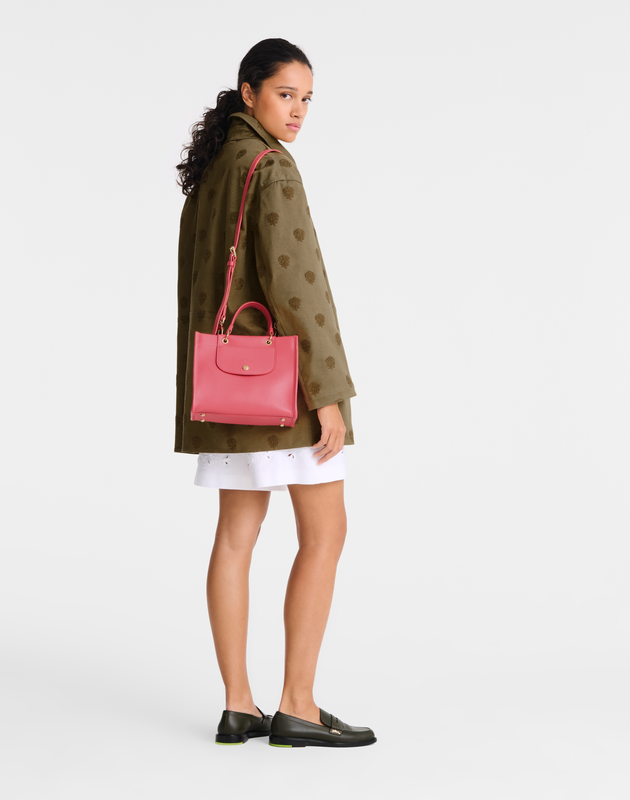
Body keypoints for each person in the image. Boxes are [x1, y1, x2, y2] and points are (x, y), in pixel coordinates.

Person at [174, 38, 375, 749]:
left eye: (307, 99)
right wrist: (328, 393)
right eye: (286, 94)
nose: (298, 111)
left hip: (225, 391)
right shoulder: (272, 169)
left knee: (235, 537)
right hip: (282, 393)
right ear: (249, 91)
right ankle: (297, 705)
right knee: (326, 533)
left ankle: (239, 705)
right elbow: (299, 290)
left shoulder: (216, 168)